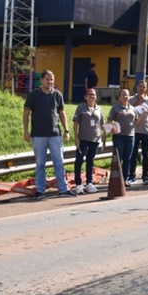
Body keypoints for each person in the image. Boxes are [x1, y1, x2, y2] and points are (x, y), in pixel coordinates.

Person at [23, 69, 73, 199]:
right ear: (42, 80)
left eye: (52, 79)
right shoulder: (33, 95)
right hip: (38, 135)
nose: (50, 82)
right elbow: (26, 113)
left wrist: (66, 130)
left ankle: (63, 189)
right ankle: (40, 190)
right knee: (40, 163)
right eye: (47, 79)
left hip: (55, 134)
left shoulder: (58, 95)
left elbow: (62, 113)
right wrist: (25, 131)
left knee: (59, 162)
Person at [108, 88, 146, 186]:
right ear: (119, 96)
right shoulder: (115, 107)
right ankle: (115, 180)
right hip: (118, 137)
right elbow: (109, 121)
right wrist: (109, 130)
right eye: (123, 94)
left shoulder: (132, 108)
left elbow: (136, 122)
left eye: (127, 95)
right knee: (118, 159)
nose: (125, 96)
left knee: (127, 159)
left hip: (130, 137)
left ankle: (124, 180)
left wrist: (143, 115)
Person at [72, 88, 104, 194]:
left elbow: (102, 124)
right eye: (90, 95)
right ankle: (78, 184)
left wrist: (111, 129)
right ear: (85, 97)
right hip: (83, 138)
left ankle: (89, 183)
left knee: (90, 161)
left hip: (95, 139)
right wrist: (76, 137)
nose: (92, 97)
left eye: (94, 95)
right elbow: (75, 123)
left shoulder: (99, 109)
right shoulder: (81, 108)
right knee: (79, 161)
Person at [129, 80, 148, 185]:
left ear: (146, 88)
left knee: (146, 154)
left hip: (146, 131)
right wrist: (140, 101)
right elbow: (130, 110)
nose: (142, 88)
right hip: (134, 131)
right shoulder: (131, 100)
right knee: (133, 154)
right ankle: (131, 176)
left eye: (144, 86)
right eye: (140, 86)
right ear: (137, 88)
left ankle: (145, 176)